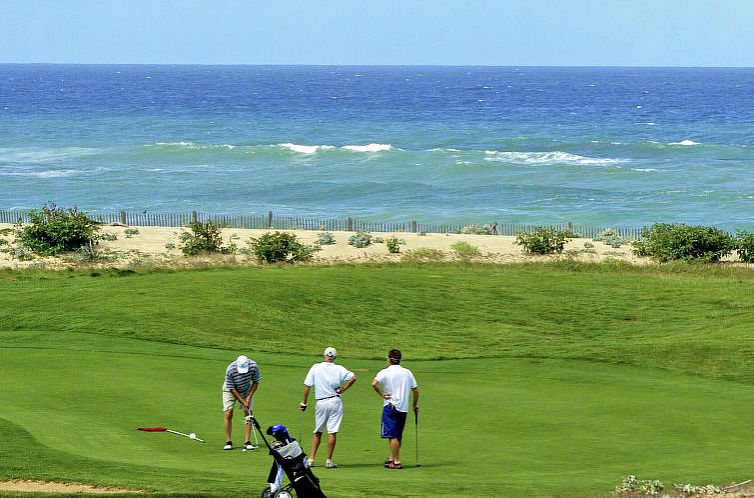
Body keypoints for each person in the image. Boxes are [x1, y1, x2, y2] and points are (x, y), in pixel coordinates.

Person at [299, 347, 357, 469]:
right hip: (335, 401)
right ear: (334, 357)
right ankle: (329, 461)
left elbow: (307, 385)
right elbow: (353, 378)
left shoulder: (316, 367)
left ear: (324, 355)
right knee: (332, 431)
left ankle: (311, 459)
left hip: (321, 402)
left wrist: (304, 402)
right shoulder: (339, 368)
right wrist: (343, 389)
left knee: (318, 431)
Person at [371, 348, 419, 469]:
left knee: (392, 436)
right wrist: (414, 404)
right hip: (403, 408)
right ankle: (392, 457)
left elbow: (374, 384)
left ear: (390, 359)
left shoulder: (385, 372)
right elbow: (415, 390)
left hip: (390, 406)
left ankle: (396, 461)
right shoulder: (407, 372)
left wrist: (381, 394)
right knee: (397, 435)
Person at [222, 354, 261, 450]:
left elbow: (256, 382)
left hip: (246, 389)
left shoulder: (253, 366)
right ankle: (228, 442)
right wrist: (242, 401)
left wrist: (248, 397)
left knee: (248, 414)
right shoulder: (231, 369)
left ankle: (247, 442)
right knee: (228, 412)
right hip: (230, 390)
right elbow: (231, 388)